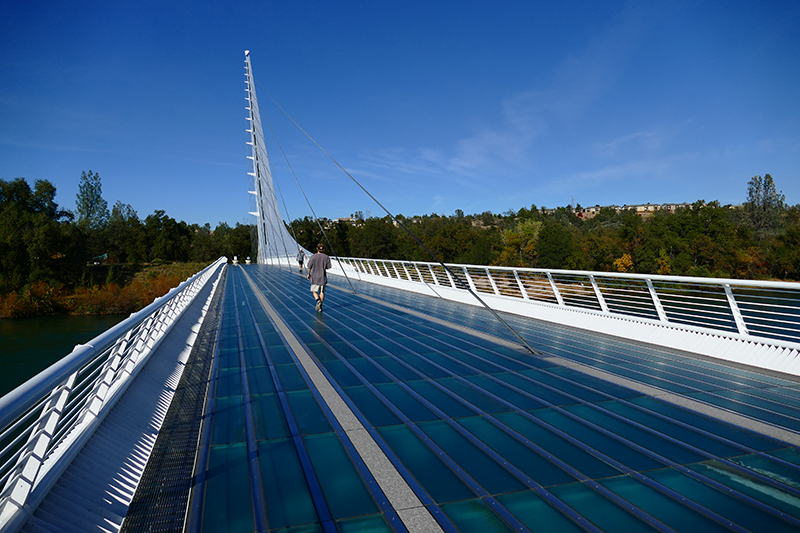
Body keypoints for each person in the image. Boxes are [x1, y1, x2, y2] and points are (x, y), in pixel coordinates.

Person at [306, 243, 331, 312]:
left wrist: (308, 274)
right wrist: (323, 266)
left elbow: (309, 267)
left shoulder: (313, 257)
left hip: (315, 277)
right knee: (322, 292)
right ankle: (320, 306)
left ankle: (317, 300)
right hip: (323, 277)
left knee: (314, 291)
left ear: (317, 249)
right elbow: (329, 267)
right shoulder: (326, 257)